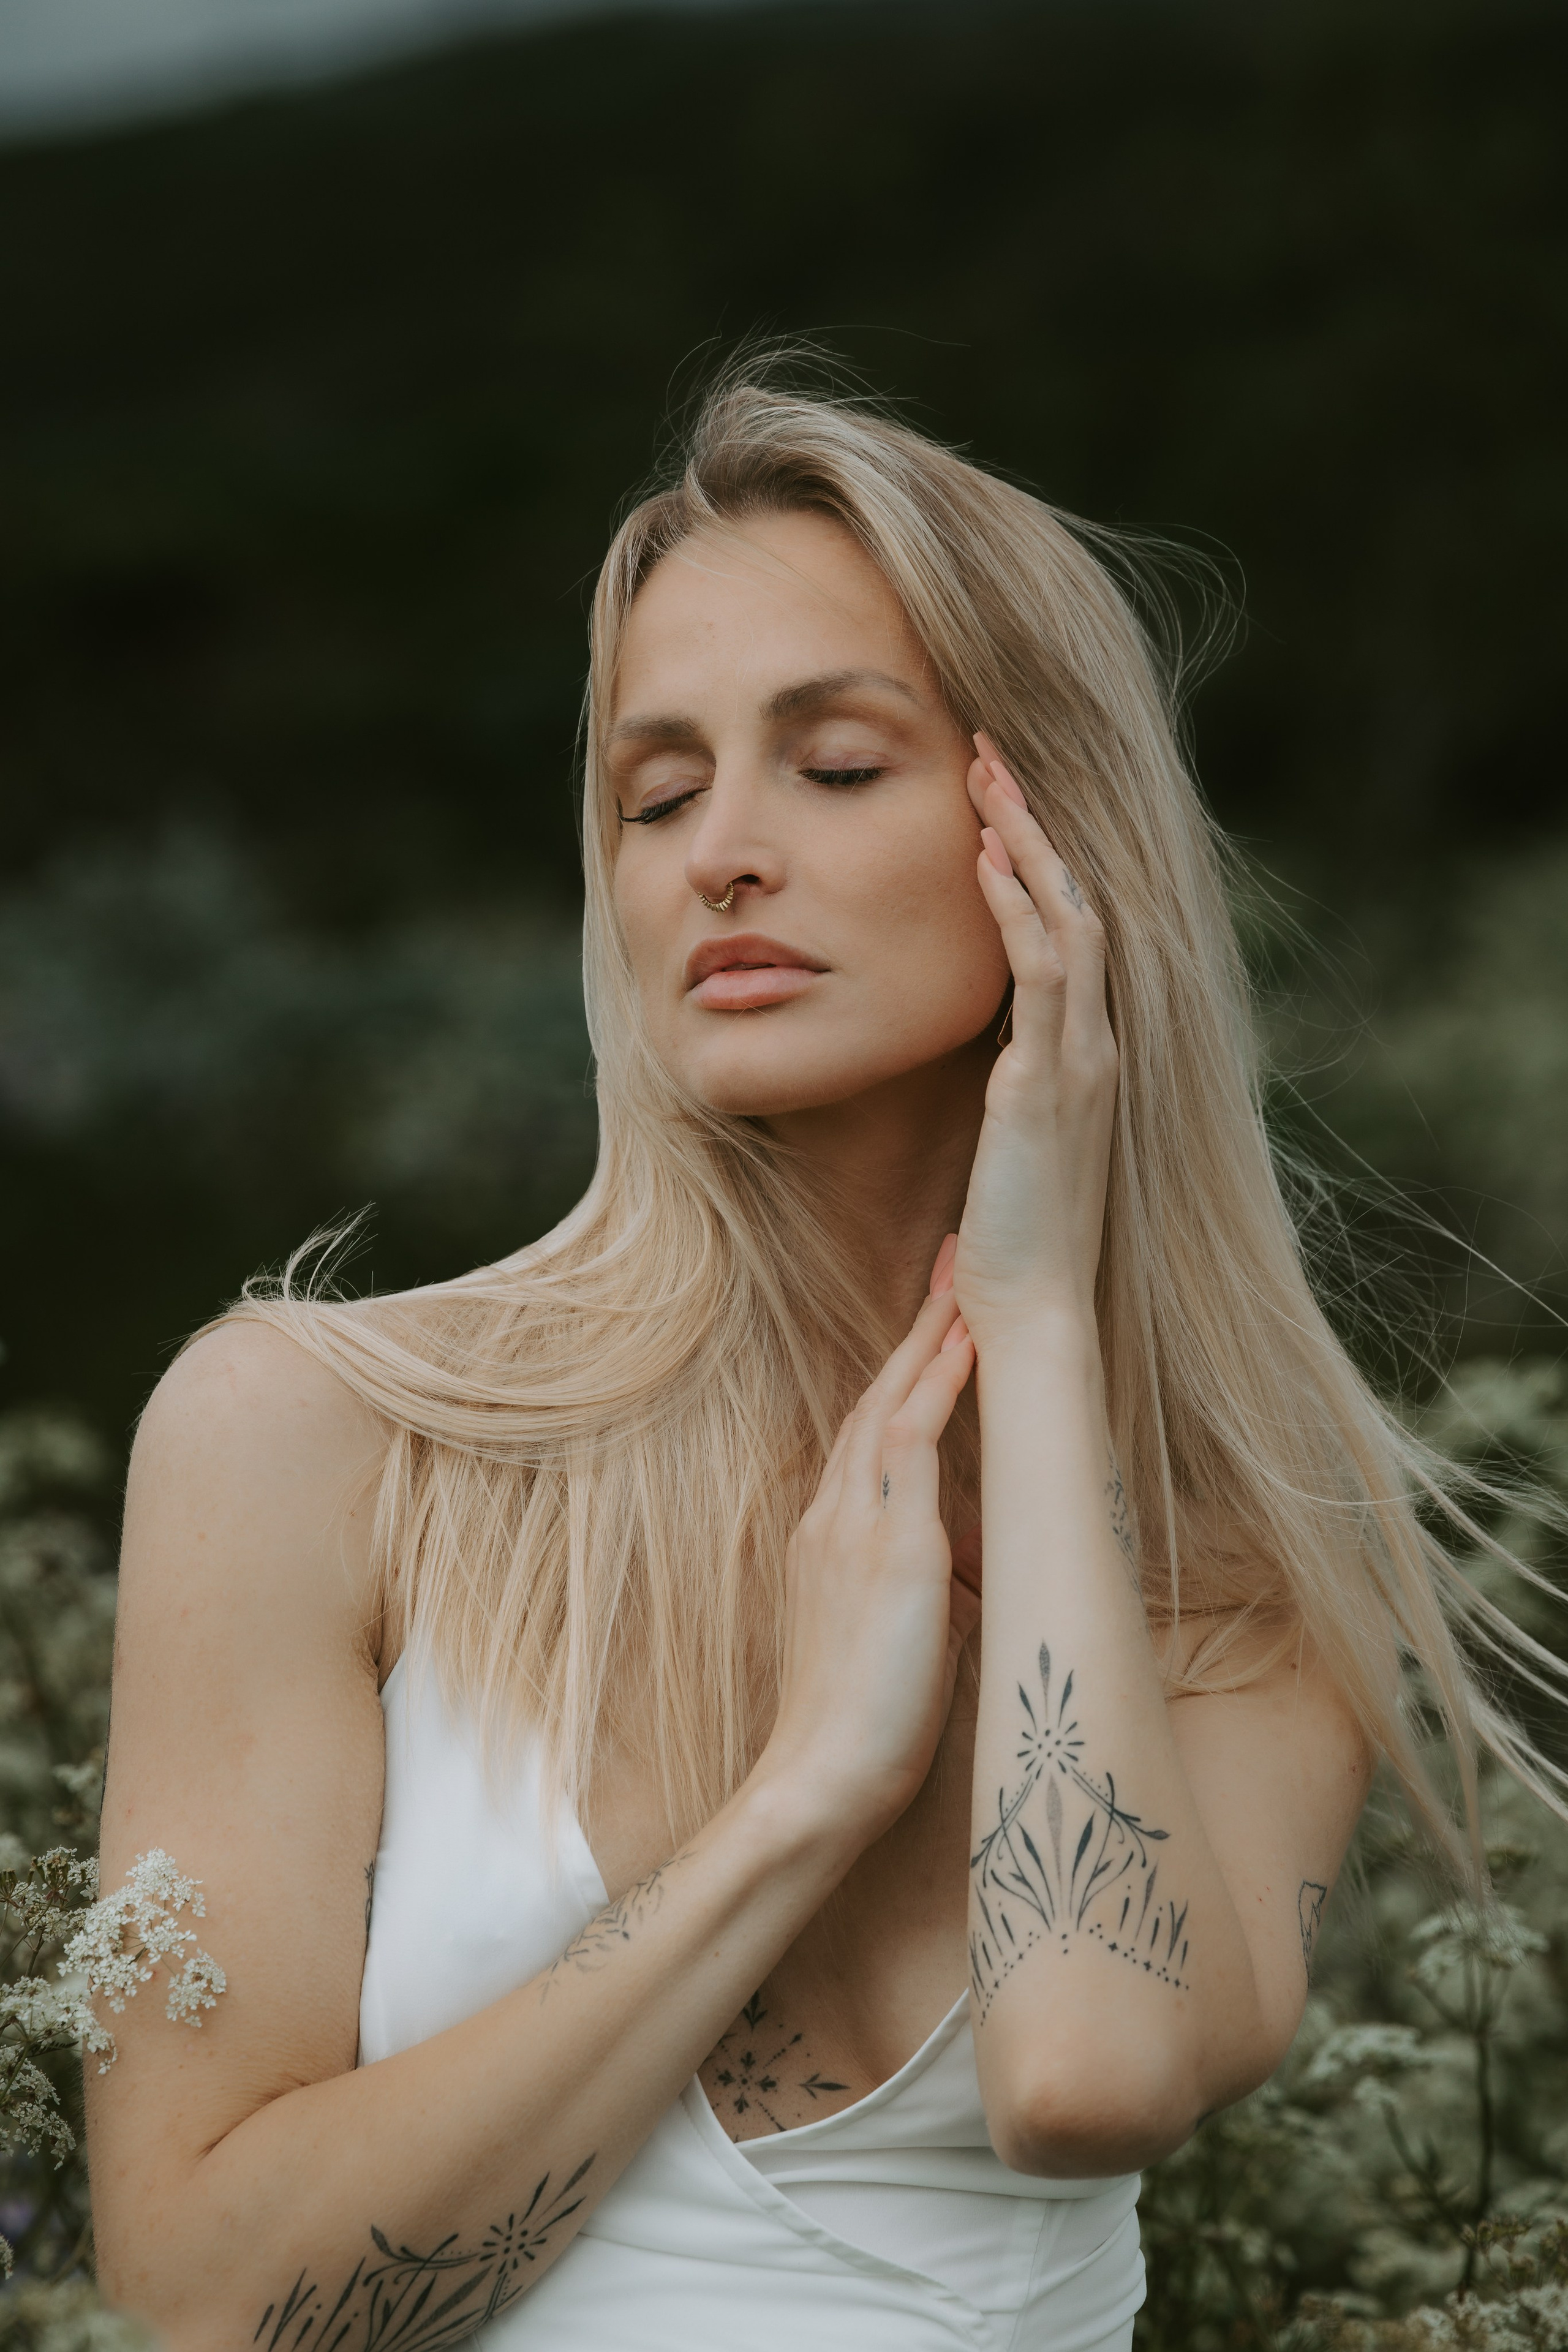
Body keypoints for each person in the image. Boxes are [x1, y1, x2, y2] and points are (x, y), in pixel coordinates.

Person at [87, 375, 1556, 2351]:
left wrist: (1035, 1335)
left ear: (1057, 838)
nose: (724, 858)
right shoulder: (322, 1437)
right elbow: (205, 2301)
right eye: (659, 794)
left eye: (837, 768)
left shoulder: (1256, 1526)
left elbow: (1084, 2077)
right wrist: (799, 1803)